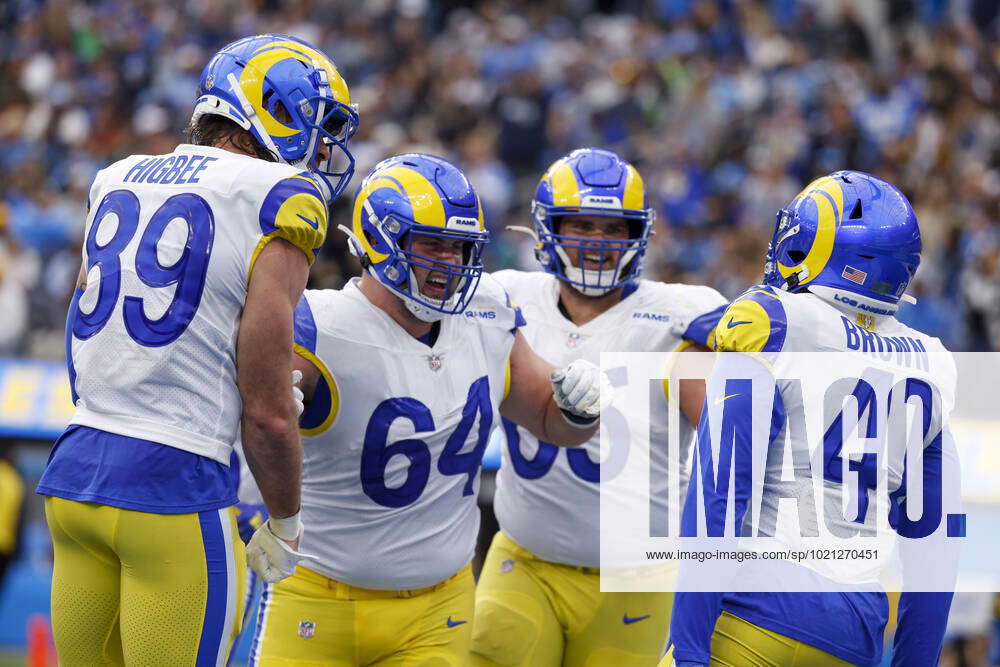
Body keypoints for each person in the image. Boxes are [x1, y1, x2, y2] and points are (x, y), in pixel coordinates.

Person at [36, 34, 358, 666]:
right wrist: (286, 519)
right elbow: (266, 406)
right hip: (172, 487)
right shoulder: (279, 194)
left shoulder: (116, 175)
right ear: (273, 110)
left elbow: (84, 327)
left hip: (74, 476)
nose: (323, 150)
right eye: (319, 128)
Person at [249, 153, 609, 666]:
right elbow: (245, 417)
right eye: (431, 244)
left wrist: (580, 407)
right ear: (382, 239)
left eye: (460, 247)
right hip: (313, 598)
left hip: (438, 611)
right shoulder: (316, 324)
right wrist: (264, 397)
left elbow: (552, 421)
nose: (449, 263)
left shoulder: (486, 314)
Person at [666, 171, 958, 667]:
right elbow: (937, 549)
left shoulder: (773, 322)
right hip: (854, 635)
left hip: (750, 618)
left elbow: (720, 492)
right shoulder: (930, 361)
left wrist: (689, 648)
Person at [469, 148, 727, 666]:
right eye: (582, 224)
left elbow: (728, 428)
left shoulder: (680, 316)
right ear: (547, 228)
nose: (598, 243)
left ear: (640, 234)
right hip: (524, 559)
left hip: (640, 578)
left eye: (614, 228)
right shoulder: (505, 298)